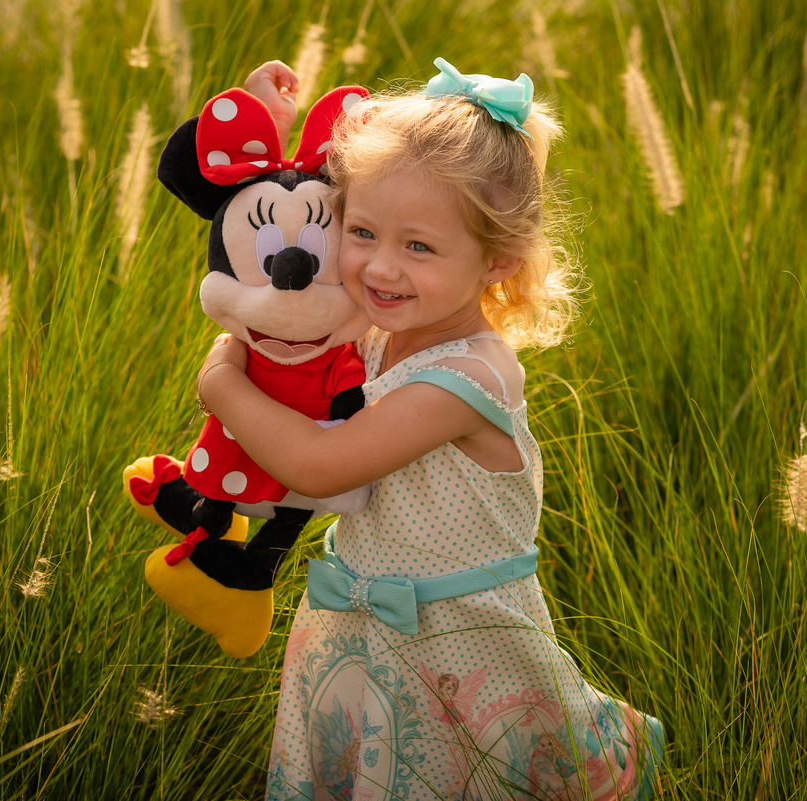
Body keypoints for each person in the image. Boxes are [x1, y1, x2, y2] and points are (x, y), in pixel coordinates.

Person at [197, 57, 664, 800]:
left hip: (463, 650)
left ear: (498, 259)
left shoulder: (467, 377)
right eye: (362, 231)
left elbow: (320, 464)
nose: (380, 266)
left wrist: (221, 383)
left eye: (418, 246)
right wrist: (271, 120)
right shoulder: (376, 330)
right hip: (359, 632)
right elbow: (285, 196)